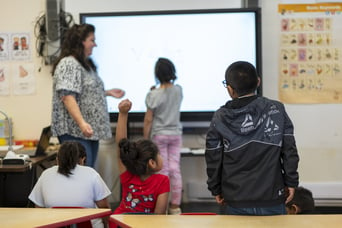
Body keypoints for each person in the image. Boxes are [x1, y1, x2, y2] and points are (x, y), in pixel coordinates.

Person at [205, 61, 300, 216]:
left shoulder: (219, 117)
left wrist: (215, 188)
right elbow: (289, 150)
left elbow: (213, 157)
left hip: (235, 197)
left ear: (229, 89)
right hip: (272, 195)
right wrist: (291, 181)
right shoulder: (276, 109)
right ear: (258, 81)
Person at [51, 23, 125, 167]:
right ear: (81, 41)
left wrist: (107, 93)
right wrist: (82, 123)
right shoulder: (69, 63)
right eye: (92, 40)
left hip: (88, 131)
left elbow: (82, 92)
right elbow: (67, 95)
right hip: (75, 132)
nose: (95, 44)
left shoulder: (85, 64)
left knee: (88, 173)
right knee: (81, 175)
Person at [29, 141, 111, 228]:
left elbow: (38, 208)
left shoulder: (46, 174)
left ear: (57, 160)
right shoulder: (91, 173)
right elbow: (104, 208)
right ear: (81, 159)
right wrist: (106, 225)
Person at [113, 99, 170, 215]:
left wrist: (123, 114)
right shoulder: (162, 181)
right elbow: (159, 216)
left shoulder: (127, 175)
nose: (161, 156)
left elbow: (121, 146)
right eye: (159, 154)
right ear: (152, 163)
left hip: (119, 223)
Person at [143, 57, 183, 215]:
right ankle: (175, 207)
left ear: (157, 74)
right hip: (175, 135)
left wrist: (146, 140)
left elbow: (148, 119)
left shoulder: (153, 94)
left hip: (159, 135)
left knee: (163, 171)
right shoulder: (179, 90)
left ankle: (162, 208)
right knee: (175, 170)